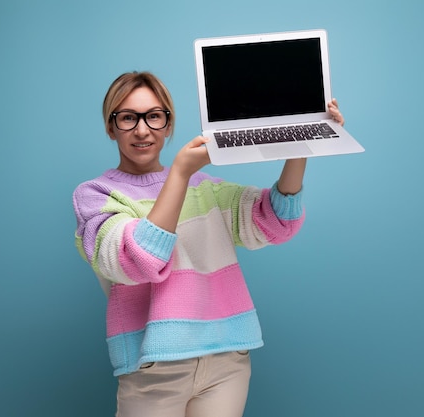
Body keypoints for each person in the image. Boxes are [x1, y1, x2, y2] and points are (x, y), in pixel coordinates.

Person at [72, 71, 345, 417]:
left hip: (226, 360)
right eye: (128, 118)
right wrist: (180, 174)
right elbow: (140, 260)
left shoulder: (206, 188)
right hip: (153, 366)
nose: (143, 130)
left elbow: (277, 221)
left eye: (154, 116)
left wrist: (300, 141)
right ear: (111, 127)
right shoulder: (95, 196)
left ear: (168, 124)